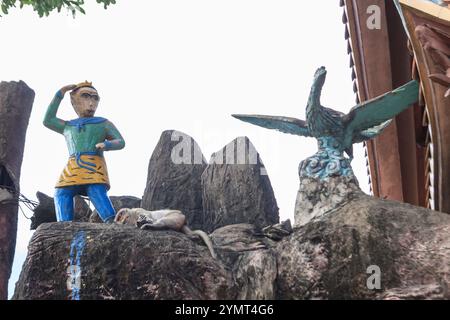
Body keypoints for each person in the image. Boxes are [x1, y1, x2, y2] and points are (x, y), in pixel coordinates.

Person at [43, 81, 125, 223]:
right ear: (74, 101)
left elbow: (121, 141)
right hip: (73, 165)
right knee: (61, 192)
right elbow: (48, 120)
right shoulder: (68, 126)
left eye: (95, 98)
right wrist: (59, 94)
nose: (91, 103)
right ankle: (64, 225)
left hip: (93, 164)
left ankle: (111, 221)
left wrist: (107, 144)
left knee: (96, 190)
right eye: (86, 97)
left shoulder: (103, 123)